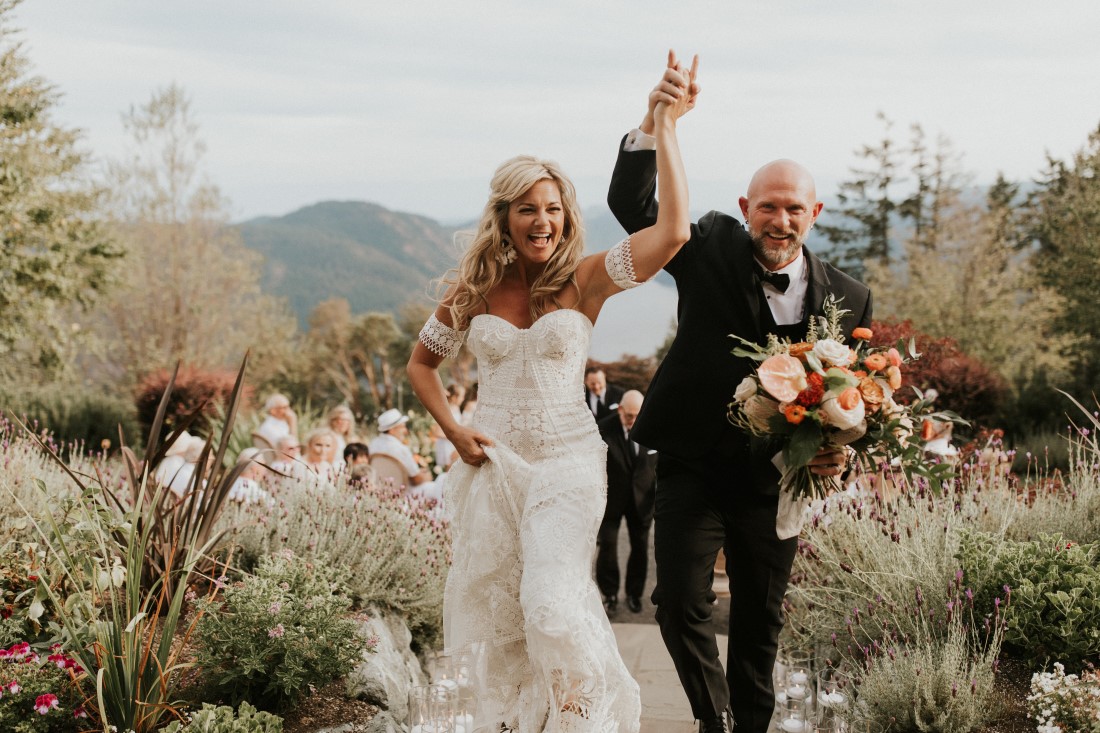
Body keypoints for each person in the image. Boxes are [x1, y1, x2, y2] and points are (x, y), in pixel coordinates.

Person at [407, 51, 698, 733]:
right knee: (504, 615)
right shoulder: (471, 290)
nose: (544, 221)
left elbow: (675, 232)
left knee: (551, 603)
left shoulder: (587, 279)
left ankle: (585, 718)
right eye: (528, 209)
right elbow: (421, 366)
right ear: (504, 217)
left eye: (554, 208)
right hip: (495, 463)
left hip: (569, 459)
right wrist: (454, 429)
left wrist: (666, 128)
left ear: (567, 215)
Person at [607, 74, 873, 733]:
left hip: (775, 481)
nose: (778, 220)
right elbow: (635, 206)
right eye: (768, 206)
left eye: (793, 209)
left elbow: (854, 402)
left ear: (815, 215)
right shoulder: (709, 248)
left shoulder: (850, 297)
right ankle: (716, 718)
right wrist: (654, 121)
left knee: (761, 618)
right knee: (677, 603)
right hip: (694, 464)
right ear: (745, 205)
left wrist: (840, 455)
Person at [595, 389, 656, 615]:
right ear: (620, 409)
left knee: (640, 548)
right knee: (608, 547)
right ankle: (610, 594)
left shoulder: (651, 426)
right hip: (611, 499)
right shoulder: (602, 429)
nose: (633, 420)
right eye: (629, 415)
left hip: (642, 501)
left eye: (637, 415)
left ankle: (634, 594)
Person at [368, 408, 440, 501]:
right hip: (403, 493)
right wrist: (427, 476)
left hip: (379, 491)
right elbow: (416, 480)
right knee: (437, 487)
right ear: (392, 430)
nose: (406, 430)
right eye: (402, 426)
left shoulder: (373, 444)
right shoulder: (400, 448)